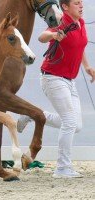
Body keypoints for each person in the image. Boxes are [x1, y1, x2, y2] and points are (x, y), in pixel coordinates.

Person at [17, 0, 95, 178]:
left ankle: (32, 115)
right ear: (65, 7)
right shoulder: (61, 22)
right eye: (76, 3)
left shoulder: (80, 23)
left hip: (69, 81)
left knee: (76, 125)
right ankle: (62, 168)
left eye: (81, 2)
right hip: (52, 78)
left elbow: (80, 46)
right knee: (69, 122)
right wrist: (54, 36)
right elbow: (42, 36)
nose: (81, 6)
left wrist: (87, 66)